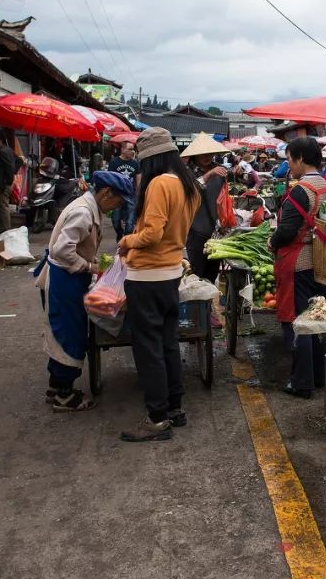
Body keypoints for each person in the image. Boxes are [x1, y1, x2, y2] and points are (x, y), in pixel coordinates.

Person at [119, 128, 202, 442]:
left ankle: (156, 418)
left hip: (147, 277)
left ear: (149, 158)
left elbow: (151, 234)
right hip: (171, 273)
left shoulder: (158, 184)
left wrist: (126, 242)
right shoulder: (189, 184)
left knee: (148, 348)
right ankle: (174, 408)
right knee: (168, 342)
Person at [34, 171, 131, 412]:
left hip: (69, 277)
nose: (117, 206)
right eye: (118, 200)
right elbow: (61, 251)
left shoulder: (90, 208)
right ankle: (64, 396)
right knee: (69, 334)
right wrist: (89, 267)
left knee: (63, 332)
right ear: (106, 192)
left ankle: (56, 386)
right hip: (64, 279)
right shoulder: (82, 211)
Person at [270, 137, 326, 399]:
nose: (288, 164)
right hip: (321, 260)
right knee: (317, 320)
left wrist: (271, 241)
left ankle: (301, 382)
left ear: (300, 159)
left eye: (289, 159)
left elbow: (286, 231)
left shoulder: (301, 190)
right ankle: (318, 375)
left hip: (298, 263)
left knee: (298, 322)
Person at [182, 133, 231, 283]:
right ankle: (198, 305)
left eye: (210, 153)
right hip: (196, 229)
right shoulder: (187, 172)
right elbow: (190, 191)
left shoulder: (219, 170)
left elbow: (224, 198)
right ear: (195, 155)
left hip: (217, 230)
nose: (207, 156)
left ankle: (208, 303)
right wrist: (209, 175)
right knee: (197, 271)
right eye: (203, 153)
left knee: (212, 271)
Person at [108, 141, 140, 241]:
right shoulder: (114, 162)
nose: (133, 151)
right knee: (115, 220)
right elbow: (110, 178)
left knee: (130, 222)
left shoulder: (135, 163)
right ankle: (119, 233)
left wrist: (138, 195)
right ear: (123, 150)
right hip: (117, 195)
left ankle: (125, 241)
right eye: (130, 149)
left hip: (130, 196)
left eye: (133, 149)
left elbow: (138, 180)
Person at [0, 129, 17, 236]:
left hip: (4, 184)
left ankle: (6, 231)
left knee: (3, 207)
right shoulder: (8, 150)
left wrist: (8, 181)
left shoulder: (3, 152)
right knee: (0, 206)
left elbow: (10, 168)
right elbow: (19, 161)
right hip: (3, 184)